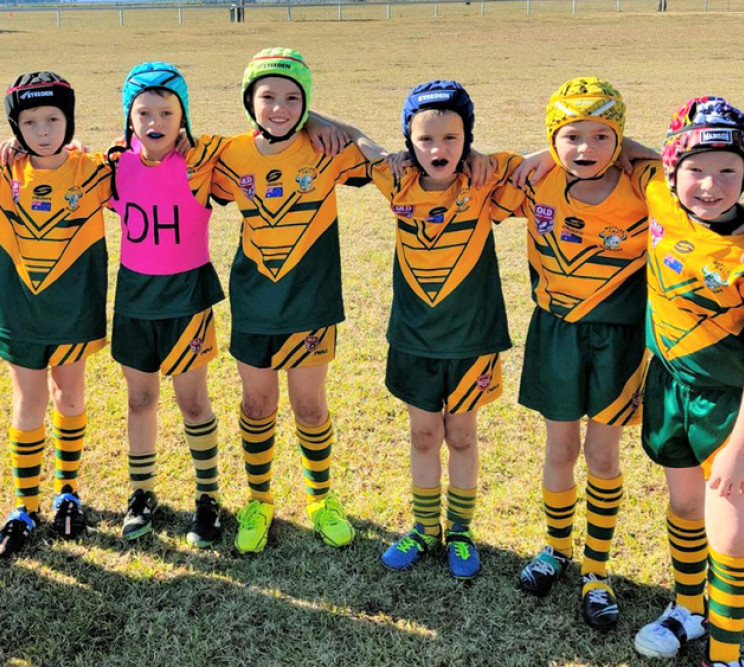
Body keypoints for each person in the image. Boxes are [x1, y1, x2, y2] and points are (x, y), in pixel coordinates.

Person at [349, 80, 523, 580]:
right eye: (425, 138)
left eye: (451, 138)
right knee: (423, 434)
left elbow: (556, 154)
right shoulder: (398, 182)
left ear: (468, 138)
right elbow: (348, 135)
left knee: (462, 435)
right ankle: (425, 528)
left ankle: (461, 532)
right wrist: (383, 149)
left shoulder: (484, 182)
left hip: (472, 339)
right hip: (413, 338)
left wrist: (485, 156)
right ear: (409, 141)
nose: (438, 149)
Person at [210, 48, 371, 553]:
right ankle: (259, 500)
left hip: (311, 301)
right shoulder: (229, 154)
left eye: (292, 99)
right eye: (268, 97)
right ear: (249, 101)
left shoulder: (324, 147)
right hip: (255, 301)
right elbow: (164, 153)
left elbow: (381, 158)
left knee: (308, 405)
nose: (279, 108)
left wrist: (321, 120)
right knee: (257, 404)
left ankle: (321, 499)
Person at [513, 77, 656, 630]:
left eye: (602, 136)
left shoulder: (647, 186)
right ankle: (555, 549)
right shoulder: (535, 184)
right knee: (559, 447)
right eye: (571, 137)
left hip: (617, 340)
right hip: (556, 333)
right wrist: (539, 153)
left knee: (601, 455)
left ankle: (596, 570)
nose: (585, 150)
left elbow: (681, 162)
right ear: (553, 139)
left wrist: (628, 145)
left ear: (620, 139)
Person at [0, 72, 112, 559]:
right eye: (30, 121)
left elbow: (156, 159)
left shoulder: (95, 170)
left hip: (74, 309)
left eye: (54, 118)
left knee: (69, 395)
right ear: (16, 127)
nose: (44, 130)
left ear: (69, 120)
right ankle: (23, 506)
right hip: (21, 311)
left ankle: (68, 491)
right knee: (29, 401)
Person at [633, 96, 744, 667]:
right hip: (668, 387)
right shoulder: (661, 197)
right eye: (695, 169)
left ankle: (727, 651)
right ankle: (687, 609)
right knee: (684, 508)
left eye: (728, 169)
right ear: (673, 172)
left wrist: (738, 448)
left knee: (729, 533)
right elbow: (626, 150)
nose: (710, 184)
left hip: (731, 404)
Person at [108, 62, 230, 547]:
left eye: (166, 112)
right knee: (140, 399)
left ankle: (208, 497)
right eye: (144, 112)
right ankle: (142, 494)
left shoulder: (201, 165)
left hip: (187, 296)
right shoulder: (114, 166)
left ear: (183, 119)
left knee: (192, 401)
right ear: (129, 118)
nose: (155, 122)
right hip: (134, 297)